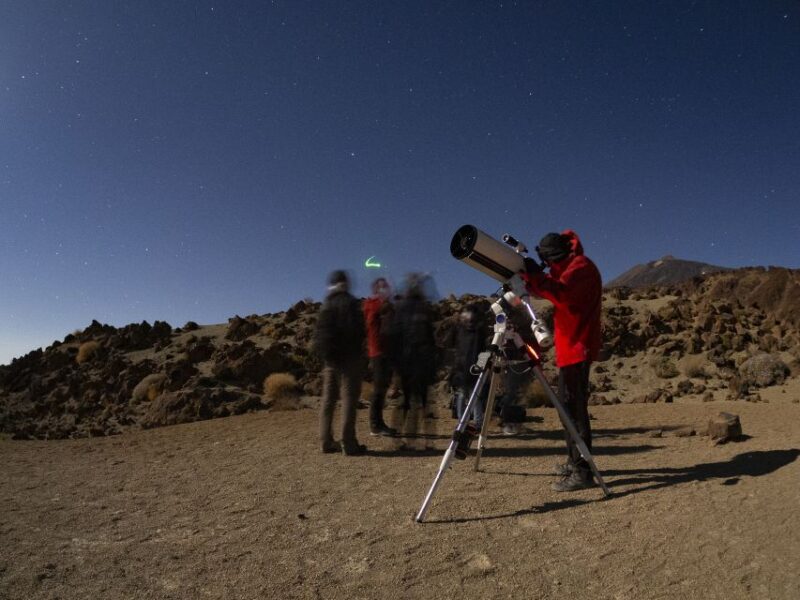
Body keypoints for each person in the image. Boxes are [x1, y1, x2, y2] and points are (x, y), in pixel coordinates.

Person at [520, 230, 602, 491]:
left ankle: (583, 472)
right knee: (566, 409)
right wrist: (530, 277)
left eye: (548, 261)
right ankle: (573, 460)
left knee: (575, 412)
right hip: (569, 349)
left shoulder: (581, 268)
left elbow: (561, 293)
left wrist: (535, 275)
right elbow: (550, 286)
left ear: (556, 256)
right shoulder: (568, 267)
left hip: (578, 348)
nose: (549, 267)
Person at [315, 270, 367, 456]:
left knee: (328, 400)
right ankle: (348, 443)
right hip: (350, 359)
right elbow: (359, 330)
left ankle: (326, 441)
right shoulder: (352, 303)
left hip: (330, 360)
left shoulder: (327, 304)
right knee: (348, 400)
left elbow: (319, 333)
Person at [391, 274, 437, 449]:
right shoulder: (423, 309)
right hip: (418, 363)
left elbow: (396, 338)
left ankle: (405, 439)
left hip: (410, 363)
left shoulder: (404, 309)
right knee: (422, 403)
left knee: (409, 403)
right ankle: (425, 440)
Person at [363, 277, 397, 436]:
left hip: (387, 352)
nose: (385, 289)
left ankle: (379, 423)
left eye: (386, 286)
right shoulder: (372, 304)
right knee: (378, 389)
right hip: (378, 352)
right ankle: (375, 425)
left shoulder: (387, 305)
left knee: (382, 389)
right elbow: (370, 323)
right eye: (381, 287)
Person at [448, 304, 488, 428]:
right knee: (463, 395)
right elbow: (455, 348)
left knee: (474, 396)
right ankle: (462, 421)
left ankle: (477, 423)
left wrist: (481, 366)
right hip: (462, 368)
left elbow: (483, 350)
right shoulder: (460, 330)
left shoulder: (479, 331)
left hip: (473, 368)